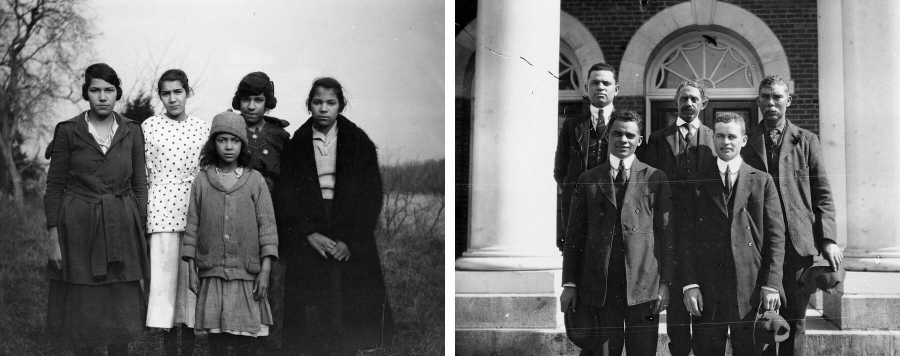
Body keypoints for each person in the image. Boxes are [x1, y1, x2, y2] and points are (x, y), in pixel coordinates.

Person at [274, 77, 393, 354]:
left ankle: (356, 341)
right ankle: (311, 343)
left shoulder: (358, 141)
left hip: (348, 222)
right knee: (309, 287)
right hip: (310, 220)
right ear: (309, 105)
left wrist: (350, 239)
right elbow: (286, 195)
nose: (323, 109)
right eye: (317, 102)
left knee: (350, 284)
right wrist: (308, 233)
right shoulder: (297, 144)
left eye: (331, 102)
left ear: (341, 105)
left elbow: (370, 194)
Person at [43, 63, 149, 356]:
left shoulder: (131, 130)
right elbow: (54, 186)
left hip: (122, 223)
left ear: (118, 94)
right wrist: (54, 238)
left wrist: (138, 229)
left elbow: (140, 183)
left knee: (121, 308)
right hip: (78, 227)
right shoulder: (68, 131)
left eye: (109, 90)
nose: (102, 97)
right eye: (95, 90)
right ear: (86, 94)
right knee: (83, 314)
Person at [741, 75, 841, 356]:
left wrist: (829, 239)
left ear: (788, 100)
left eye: (777, 97)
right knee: (761, 323)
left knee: (794, 323)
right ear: (758, 100)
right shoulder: (748, 142)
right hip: (759, 247)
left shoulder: (807, 141)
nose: (771, 103)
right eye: (765, 97)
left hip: (798, 248)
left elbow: (822, 194)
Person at [560, 110, 674, 356]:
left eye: (630, 135)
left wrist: (665, 284)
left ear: (639, 140)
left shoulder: (655, 178)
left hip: (644, 285)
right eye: (617, 133)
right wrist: (569, 283)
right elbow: (574, 236)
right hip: (601, 287)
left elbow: (666, 235)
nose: (623, 139)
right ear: (607, 137)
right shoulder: (589, 179)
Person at [681, 112, 786, 355]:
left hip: (750, 286)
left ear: (744, 140)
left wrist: (771, 284)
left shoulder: (762, 181)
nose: (725, 142)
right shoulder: (696, 182)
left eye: (732, 136)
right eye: (720, 136)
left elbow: (775, 237)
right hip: (707, 288)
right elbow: (684, 238)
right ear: (713, 139)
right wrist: (690, 284)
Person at [181, 111, 278, 355]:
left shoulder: (255, 180)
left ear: (243, 144)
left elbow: (267, 227)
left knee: (246, 340)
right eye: (222, 140)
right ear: (213, 143)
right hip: (212, 273)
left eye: (234, 141)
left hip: (247, 274)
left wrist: (265, 271)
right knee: (217, 342)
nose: (228, 146)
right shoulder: (202, 181)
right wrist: (191, 270)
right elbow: (191, 226)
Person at [636, 80, 717, 356]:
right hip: (669, 227)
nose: (689, 103)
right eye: (684, 98)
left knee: (706, 312)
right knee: (678, 317)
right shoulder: (658, 139)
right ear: (675, 103)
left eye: (695, 99)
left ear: (703, 103)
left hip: (705, 231)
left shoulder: (714, 138)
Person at [142, 69, 209, 356]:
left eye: (177, 92)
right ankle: (169, 349)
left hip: (195, 210)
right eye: (166, 93)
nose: (172, 99)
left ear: (187, 92)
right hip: (160, 210)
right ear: (161, 96)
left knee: (192, 280)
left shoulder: (202, 128)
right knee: (165, 284)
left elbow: (206, 171)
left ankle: (191, 348)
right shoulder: (148, 127)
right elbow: (142, 172)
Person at [231, 71, 290, 351]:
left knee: (274, 285)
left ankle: (272, 348)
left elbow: (291, 181)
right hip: (237, 220)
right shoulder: (229, 131)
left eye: (258, 99)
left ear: (268, 102)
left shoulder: (280, 135)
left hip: (273, 221)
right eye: (246, 99)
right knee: (240, 286)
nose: (251, 106)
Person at [554, 62, 618, 250]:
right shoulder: (572, 125)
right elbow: (560, 170)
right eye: (595, 83)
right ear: (586, 88)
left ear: (616, 89)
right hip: (578, 209)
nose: (600, 87)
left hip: (614, 205)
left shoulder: (625, 123)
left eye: (606, 83)